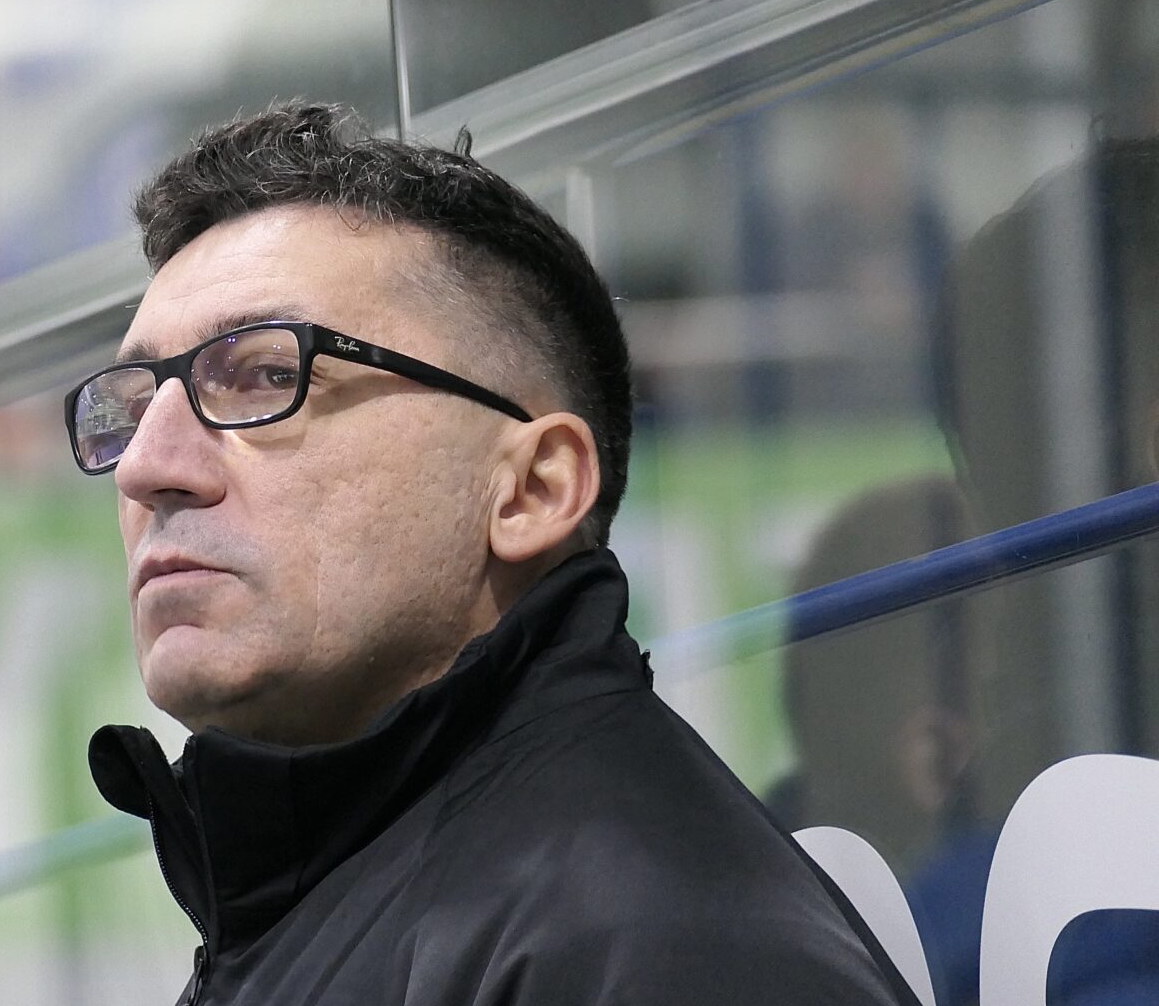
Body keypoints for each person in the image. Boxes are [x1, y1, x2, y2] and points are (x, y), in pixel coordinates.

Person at [65, 103, 920, 1005]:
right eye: (131, 409)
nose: (147, 467)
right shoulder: (338, 899)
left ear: (533, 489)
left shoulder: (658, 944)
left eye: (270, 375)